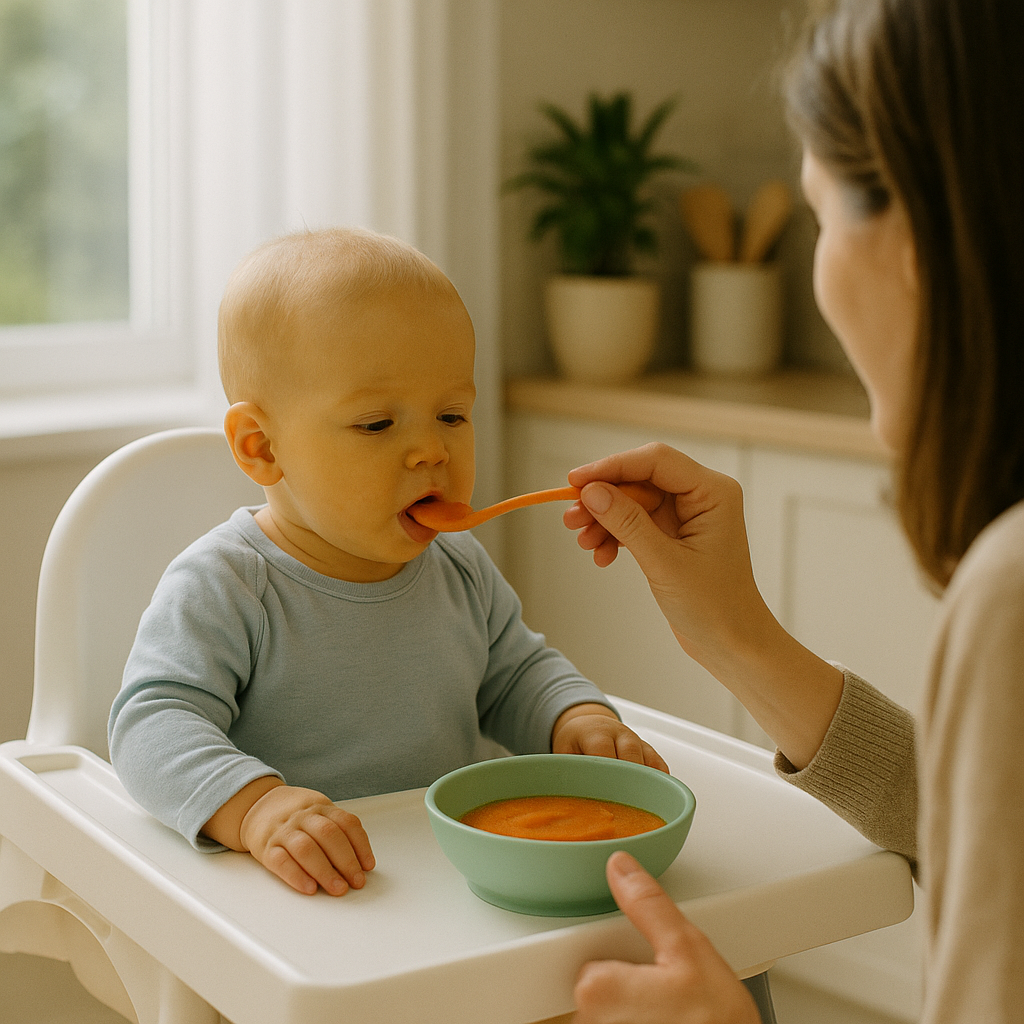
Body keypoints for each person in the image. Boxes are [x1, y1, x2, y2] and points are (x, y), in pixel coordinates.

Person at [561, 0, 1024, 1021]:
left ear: (914, 235)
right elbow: (994, 817)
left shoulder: (1013, 586)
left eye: (821, 218)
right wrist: (734, 635)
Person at [108, 227, 667, 898]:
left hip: (445, 880)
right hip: (308, 898)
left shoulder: (459, 565)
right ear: (261, 447)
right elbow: (151, 726)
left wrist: (575, 719)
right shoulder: (228, 586)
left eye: (452, 415)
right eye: (377, 424)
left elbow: (516, 673)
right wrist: (256, 809)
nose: (432, 451)